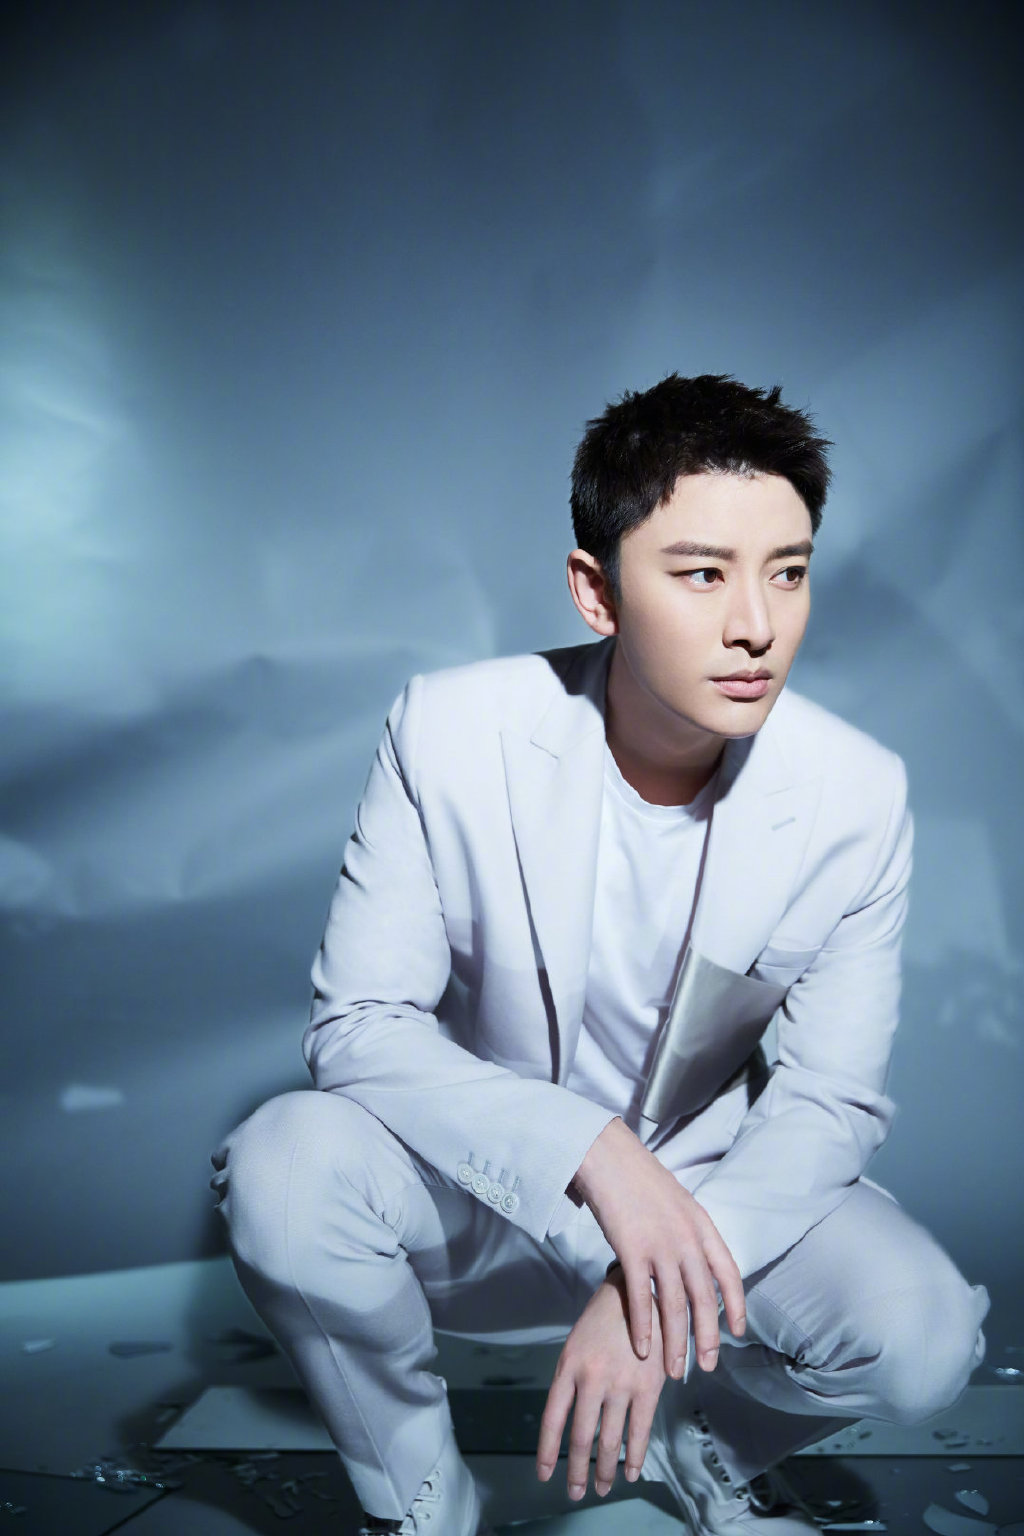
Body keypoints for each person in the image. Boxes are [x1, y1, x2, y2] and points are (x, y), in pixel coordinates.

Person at [211, 374, 988, 1536]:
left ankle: (703, 1438)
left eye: (787, 571)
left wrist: (651, 1283)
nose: (756, 624)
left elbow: (828, 1100)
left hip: (712, 1203)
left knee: (923, 1338)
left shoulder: (855, 795)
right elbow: (360, 1027)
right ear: (595, 591)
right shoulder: (450, 730)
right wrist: (592, 1154)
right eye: (702, 573)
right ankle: (420, 1497)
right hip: (477, 1195)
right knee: (281, 1166)